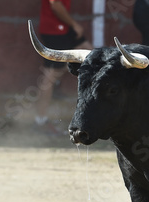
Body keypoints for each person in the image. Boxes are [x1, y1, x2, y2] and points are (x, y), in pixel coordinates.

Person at [35, 0, 92, 128]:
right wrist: (74, 24)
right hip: (54, 31)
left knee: (90, 54)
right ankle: (40, 120)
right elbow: (55, 5)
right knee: (50, 76)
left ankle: (59, 81)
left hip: (63, 28)